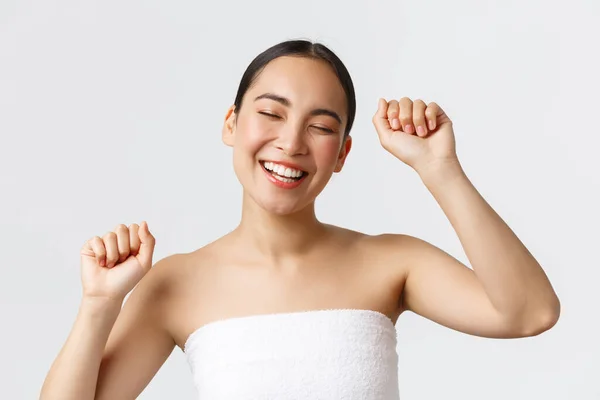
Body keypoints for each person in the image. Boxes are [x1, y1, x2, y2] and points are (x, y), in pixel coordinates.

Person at [40, 39, 561, 400]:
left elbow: (530, 313)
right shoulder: (176, 284)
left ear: (342, 153)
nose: (290, 142)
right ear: (232, 123)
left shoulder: (391, 262)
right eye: (271, 113)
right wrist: (99, 304)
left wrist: (440, 169)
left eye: (320, 126)